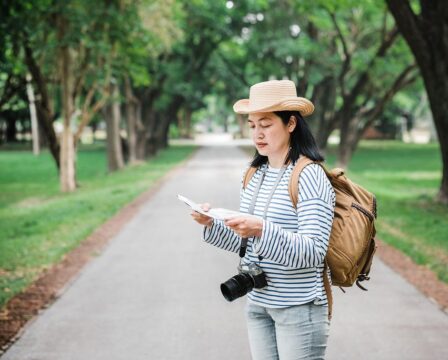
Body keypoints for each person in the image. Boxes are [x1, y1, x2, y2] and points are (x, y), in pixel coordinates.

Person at [191, 79, 336, 360]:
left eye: (266, 124)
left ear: (291, 123)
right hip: (258, 303)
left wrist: (261, 228)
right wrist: (211, 223)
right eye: (252, 125)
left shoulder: (309, 176)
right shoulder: (254, 174)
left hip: (299, 307)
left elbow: (314, 252)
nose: (257, 133)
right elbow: (248, 242)